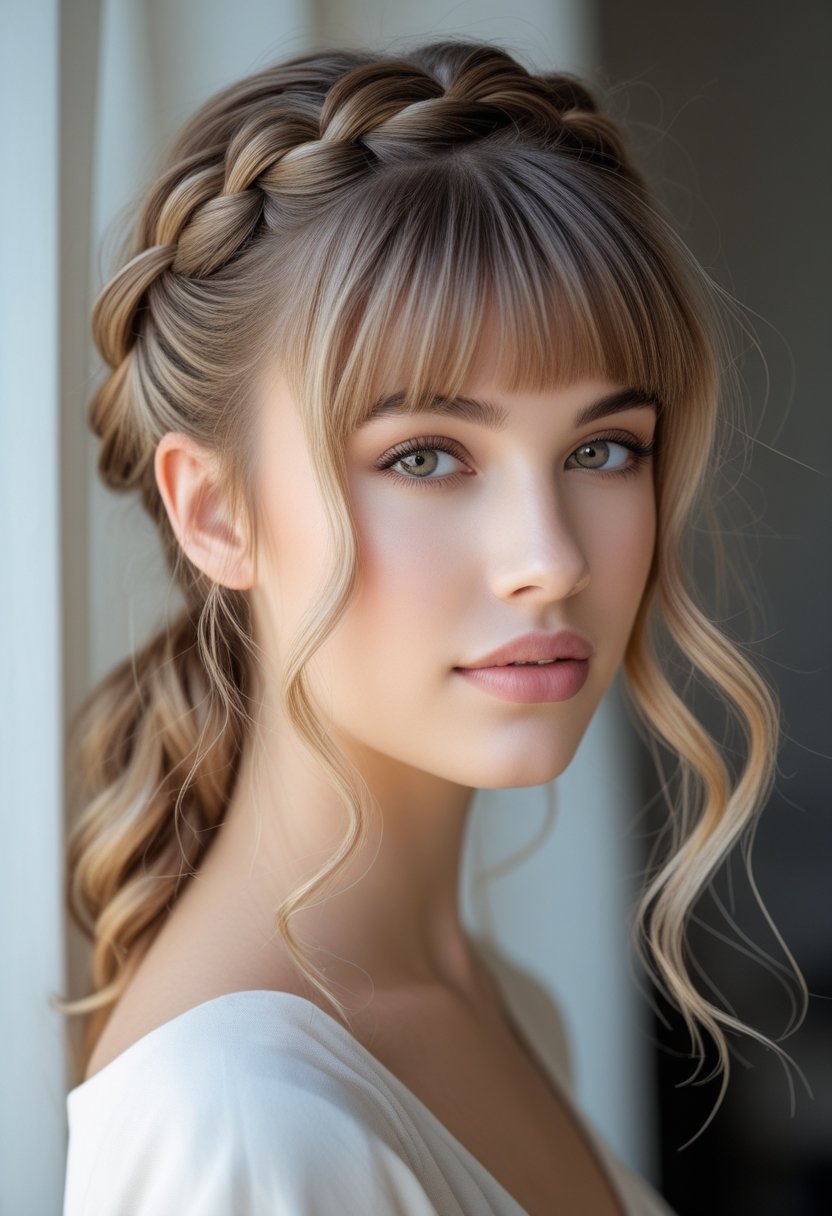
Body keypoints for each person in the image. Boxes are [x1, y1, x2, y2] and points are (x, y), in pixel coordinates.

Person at [57, 37, 805, 1215]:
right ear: (214, 511)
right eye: (424, 457)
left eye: (603, 449)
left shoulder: (494, 1000)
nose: (551, 559)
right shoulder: (242, 1129)